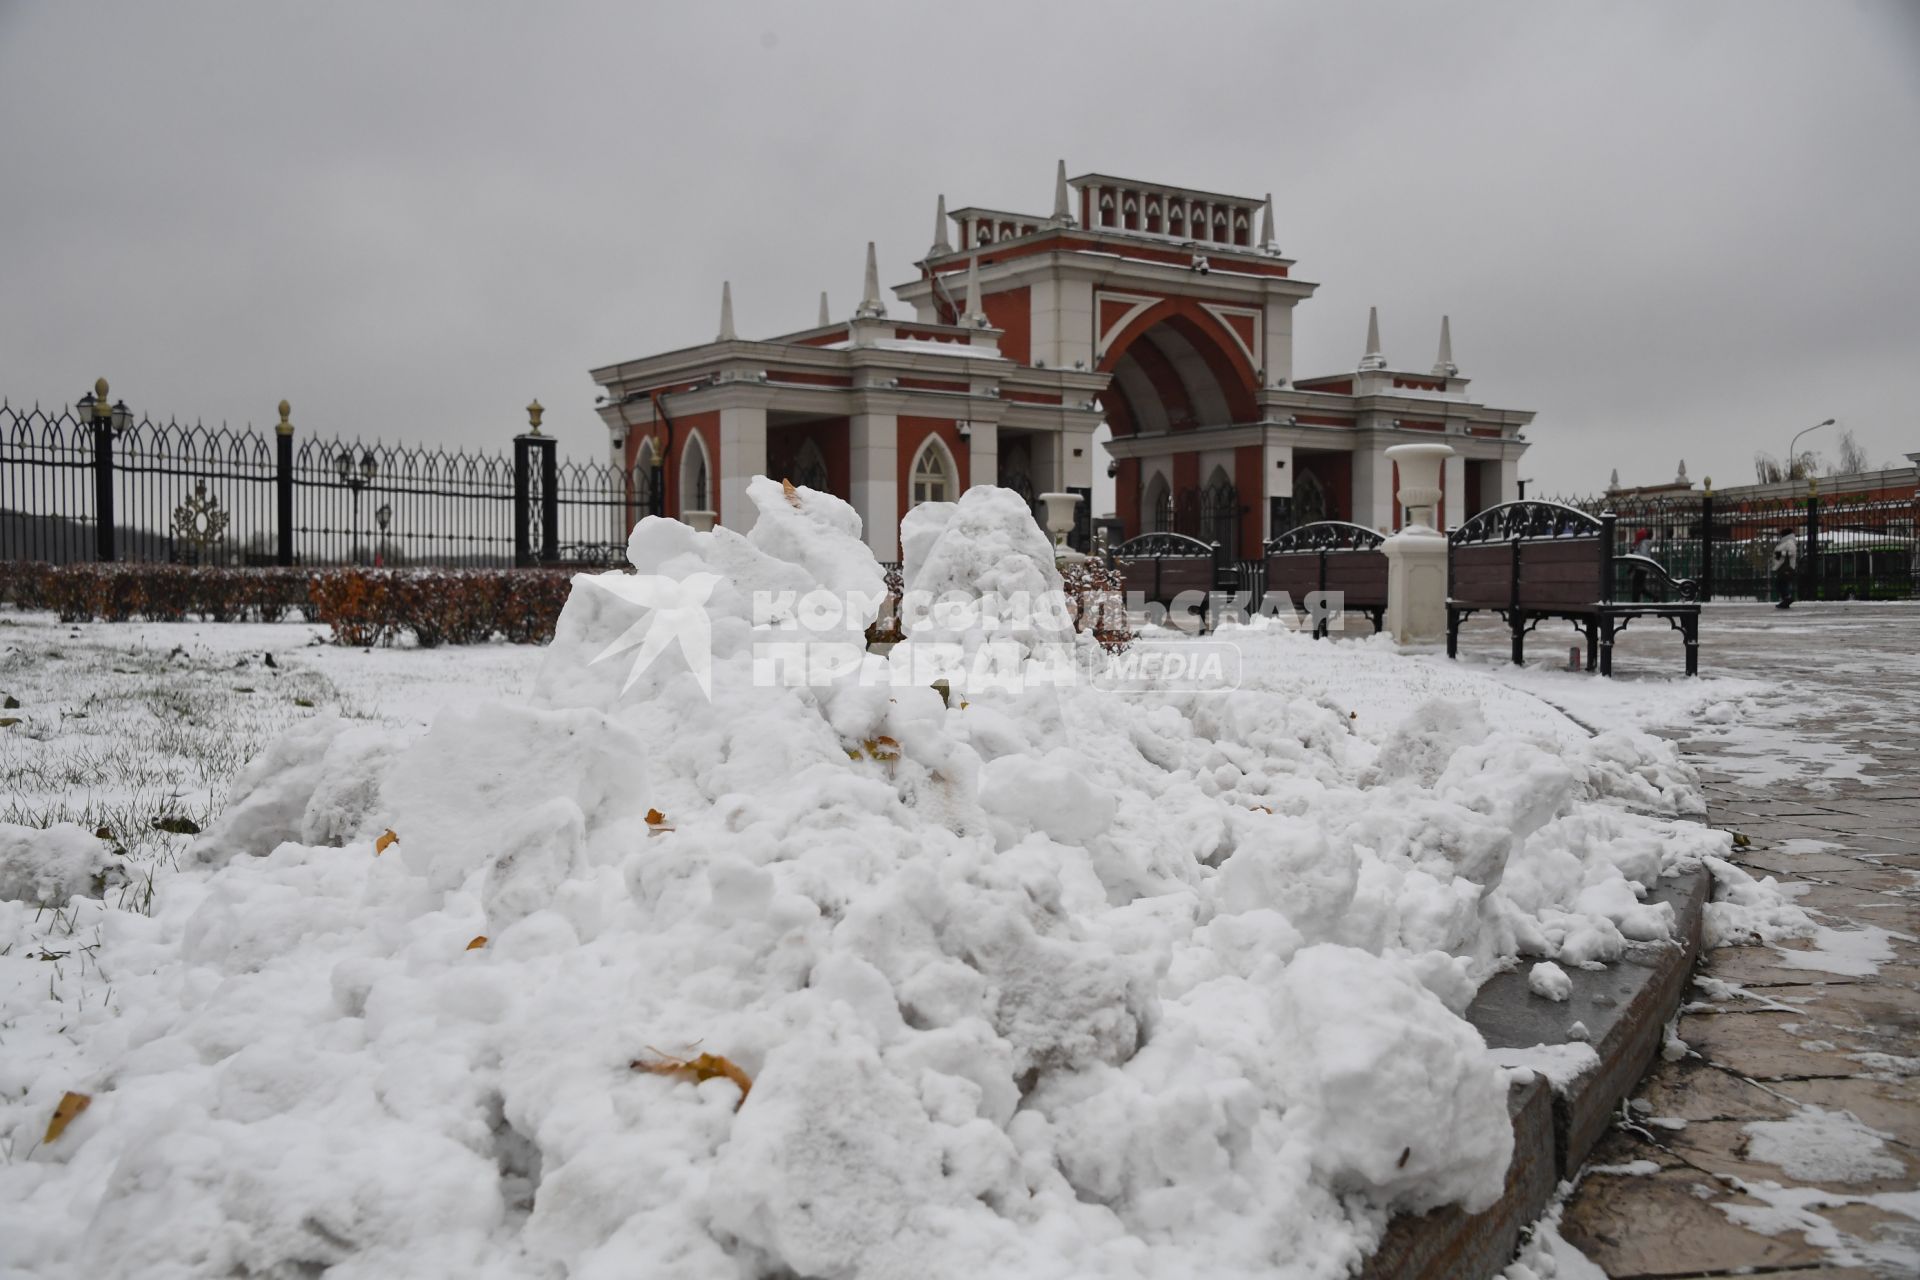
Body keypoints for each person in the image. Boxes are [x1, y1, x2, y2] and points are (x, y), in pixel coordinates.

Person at [1772, 527, 1798, 609]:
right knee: (1781, 583)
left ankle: (1787, 598)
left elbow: (1791, 552)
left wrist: (1781, 553)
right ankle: (1786, 600)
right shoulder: (1785, 542)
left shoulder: (1789, 542)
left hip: (1786, 566)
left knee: (1780, 583)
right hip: (1782, 566)